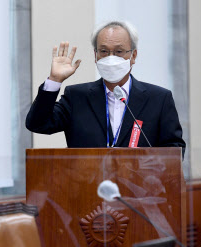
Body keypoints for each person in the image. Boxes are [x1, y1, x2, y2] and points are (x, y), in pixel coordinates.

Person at [26, 21, 186, 154]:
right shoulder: (76, 97)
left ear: (133, 56)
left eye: (119, 51)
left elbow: (175, 150)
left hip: (139, 190)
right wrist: (54, 80)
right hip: (87, 188)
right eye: (103, 51)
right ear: (95, 55)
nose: (111, 58)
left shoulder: (158, 99)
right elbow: (38, 124)